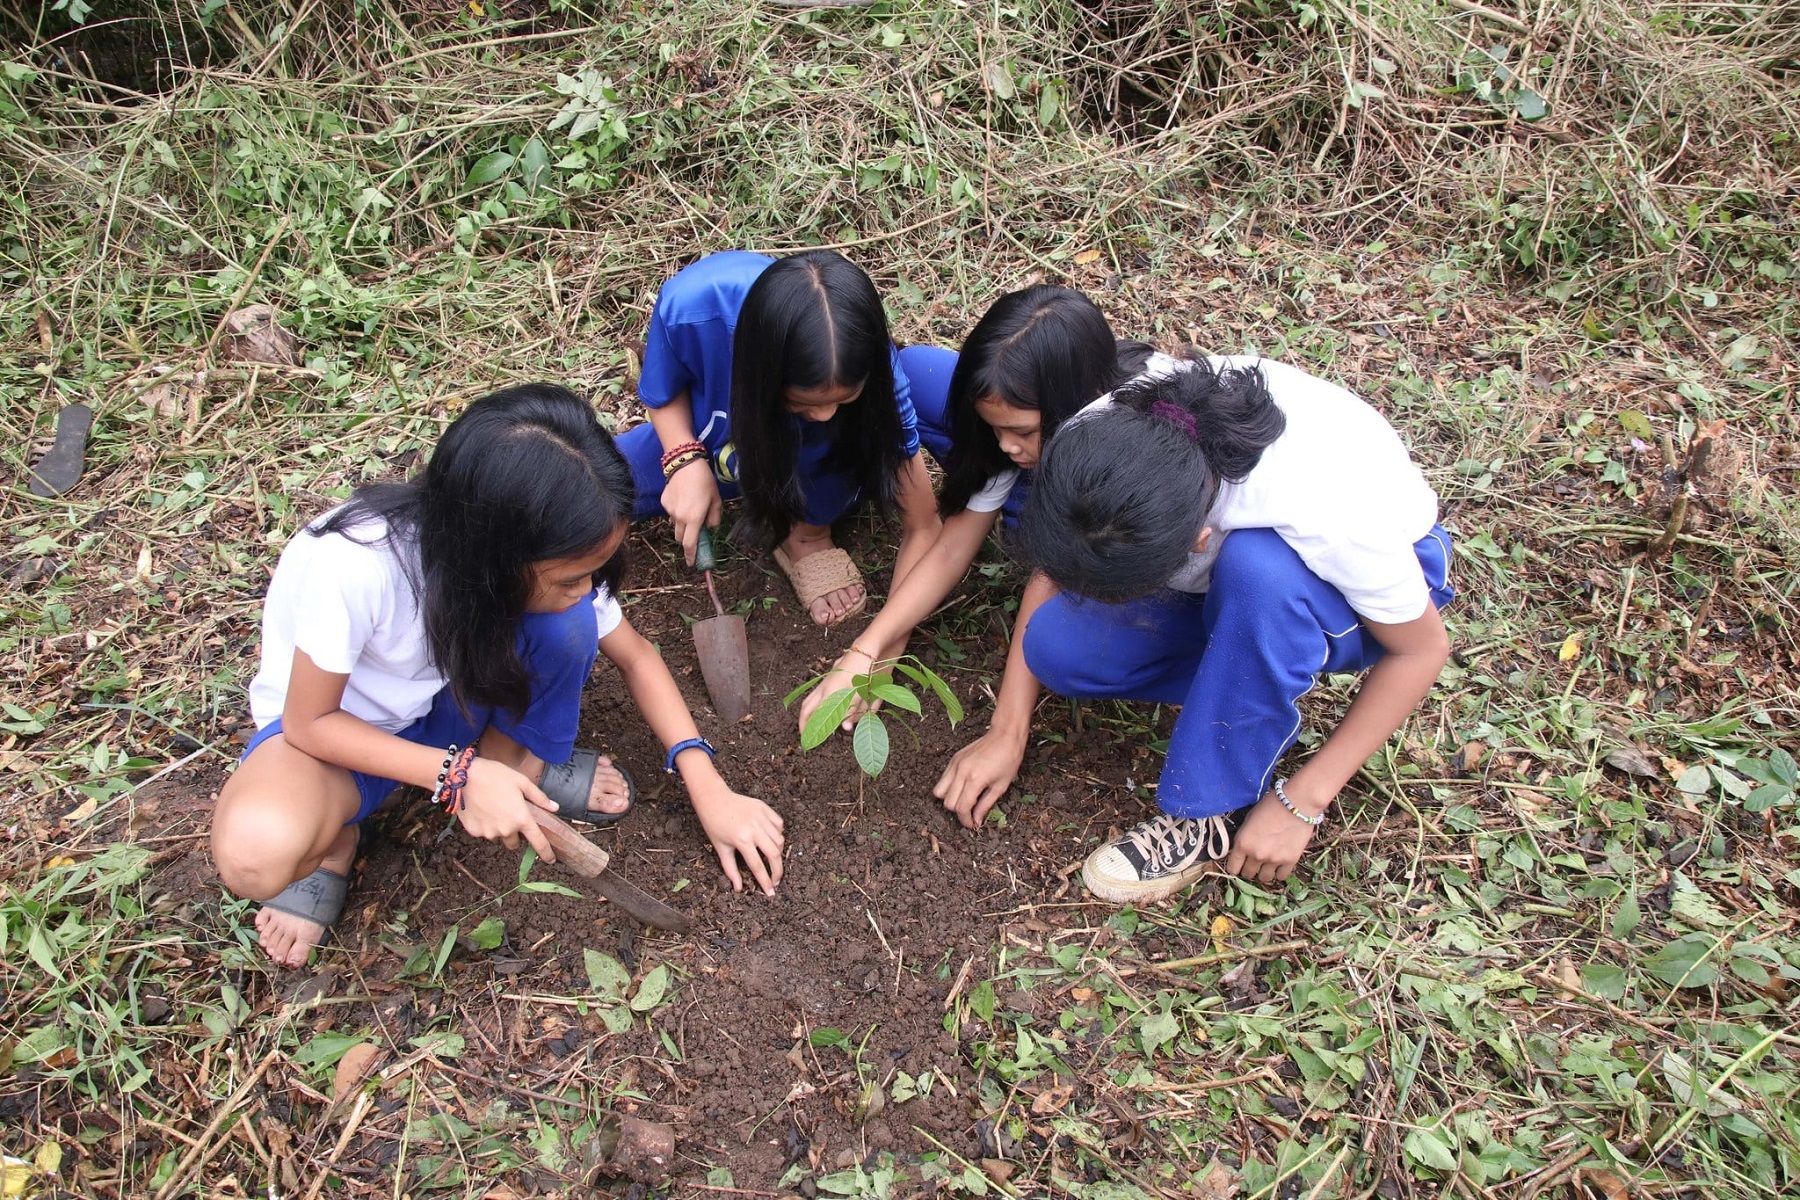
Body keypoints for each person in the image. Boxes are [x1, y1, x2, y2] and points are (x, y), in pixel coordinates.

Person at [211, 385, 786, 969]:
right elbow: (311, 723)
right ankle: (338, 841)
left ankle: (517, 767)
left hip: (452, 707)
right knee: (256, 853)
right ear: (488, 556)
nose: (586, 590)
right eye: (570, 578)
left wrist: (705, 782)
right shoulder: (357, 566)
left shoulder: (543, 553)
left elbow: (636, 656)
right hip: (342, 737)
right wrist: (458, 775)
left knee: (568, 627)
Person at [961, 354, 1454, 903]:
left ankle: (1206, 807)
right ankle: (1245, 677)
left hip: (1352, 586)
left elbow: (1421, 651)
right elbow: (1053, 573)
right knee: (1059, 645)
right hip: (1234, 583)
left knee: (1258, 569)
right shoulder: (1098, 438)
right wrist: (1007, 729)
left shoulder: (1327, 510)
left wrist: (1304, 800)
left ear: (1199, 539)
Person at [793, 286, 1154, 751]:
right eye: (993, 427)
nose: (1004, 444)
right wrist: (869, 649)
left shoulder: (1124, 454)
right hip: (1050, 449)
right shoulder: (1010, 433)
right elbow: (949, 548)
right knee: (919, 370)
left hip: (1093, 485)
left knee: (1041, 549)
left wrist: (1007, 731)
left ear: (1077, 408)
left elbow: (1047, 578)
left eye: (1019, 431)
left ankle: (1028, 500)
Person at [615, 250, 943, 627]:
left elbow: (923, 522)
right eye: (803, 402)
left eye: (844, 398)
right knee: (601, 483)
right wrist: (683, 460)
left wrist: (880, 651)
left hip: (810, 460)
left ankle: (806, 535)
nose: (824, 413)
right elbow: (663, 389)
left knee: (845, 436)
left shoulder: (877, 368)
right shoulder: (696, 308)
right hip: (716, 432)